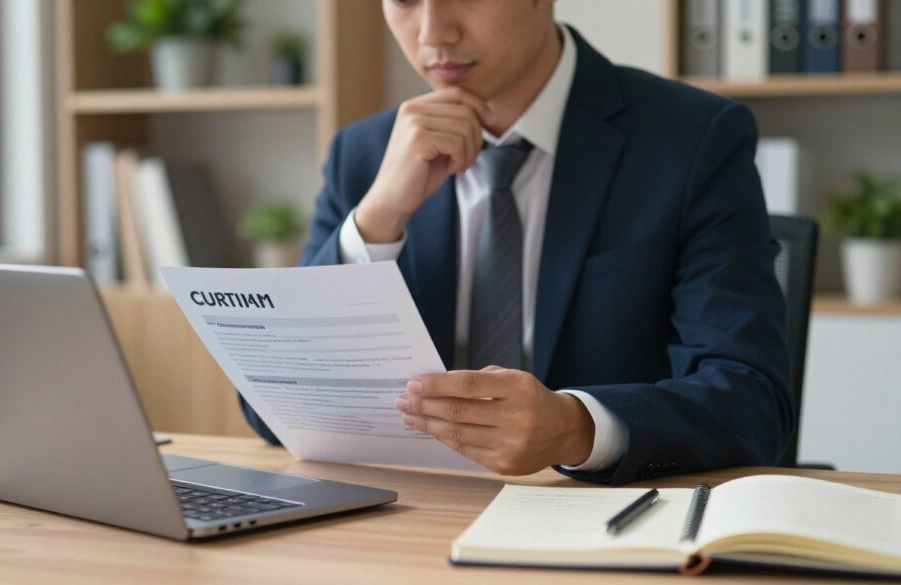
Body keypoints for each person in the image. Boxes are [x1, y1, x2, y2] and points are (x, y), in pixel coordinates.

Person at [240, 0, 793, 485]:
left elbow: (751, 401)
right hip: (407, 521)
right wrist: (376, 221)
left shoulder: (694, 138)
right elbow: (270, 414)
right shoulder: (362, 155)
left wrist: (576, 428)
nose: (433, 33)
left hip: (598, 521)